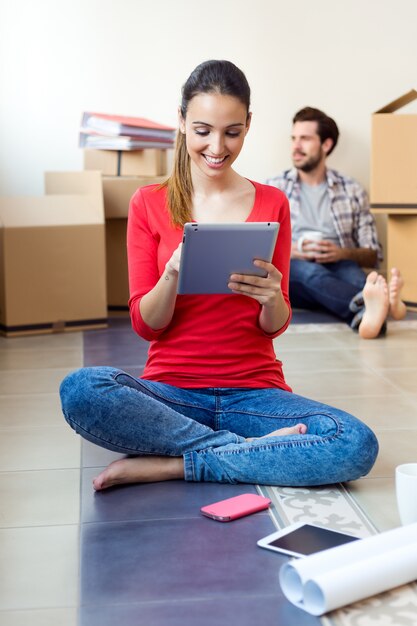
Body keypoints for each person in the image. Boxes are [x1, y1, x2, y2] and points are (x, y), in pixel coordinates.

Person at [60, 60, 378, 491]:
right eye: (203, 130)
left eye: (232, 132)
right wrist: (172, 273)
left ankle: (178, 464)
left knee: (355, 443)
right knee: (81, 389)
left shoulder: (272, 202)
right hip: (172, 394)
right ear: (182, 122)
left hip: (254, 393)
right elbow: (146, 325)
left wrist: (272, 298)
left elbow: (275, 325)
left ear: (248, 125)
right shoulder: (148, 202)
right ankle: (248, 451)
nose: (217, 146)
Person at [266, 107, 407, 339]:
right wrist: (293, 251)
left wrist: (340, 253)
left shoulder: (351, 190)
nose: (296, 146)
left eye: (305, 138)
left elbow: (373, 254)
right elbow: (257, 249)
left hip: (339, 264)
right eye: (294, 138)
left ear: (326, 145)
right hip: (294, 268)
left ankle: (369, 318)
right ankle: (384, 306)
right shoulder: (275, 188)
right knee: (312, 274)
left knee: (358, 279)